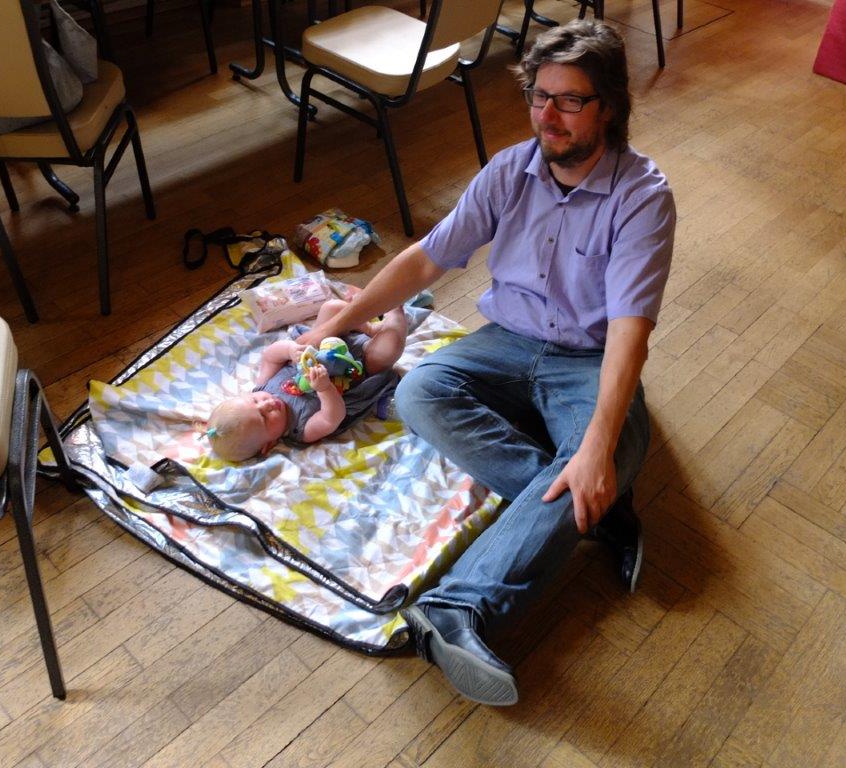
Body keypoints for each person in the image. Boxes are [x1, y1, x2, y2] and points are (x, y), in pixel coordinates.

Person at [298, 19, 675, 705]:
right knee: (418, 393)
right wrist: (336, 321)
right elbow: (426, 259)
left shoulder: (643, 197)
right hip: (505, 341)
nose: (547, 116)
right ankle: (596, 509)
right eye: (539, 96)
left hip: (588, 358)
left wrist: (597, 449)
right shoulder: (509, 171)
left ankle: (456, 607)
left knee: (615, 446)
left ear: (609, 107)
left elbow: (629, 333)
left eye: (570, 100)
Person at [206, 299, 407, 461]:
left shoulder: (263, 386)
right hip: (358, 369)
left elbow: (269, 356)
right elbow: (332, 417)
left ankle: (369, 328)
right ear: (269, 444)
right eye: (265, 418)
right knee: (388, 349)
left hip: (325, 344)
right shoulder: (302, 430)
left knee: (332, 308)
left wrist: (289, 350)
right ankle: (394, 311)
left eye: (255, 400)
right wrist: (324, 388)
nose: (267, 404)